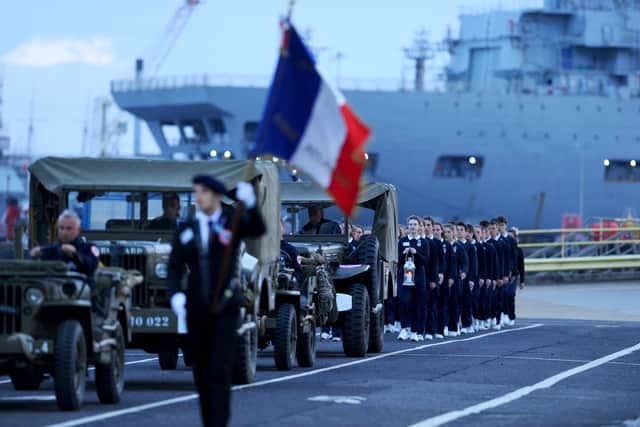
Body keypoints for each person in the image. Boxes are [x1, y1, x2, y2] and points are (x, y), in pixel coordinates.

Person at [167, 175, 265, 427]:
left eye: (204, 192)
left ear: (217, 196)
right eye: (197, 191)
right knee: (200, 374)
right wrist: (176, 294)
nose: (198, 196)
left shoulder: (231, 224)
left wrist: (251, 203)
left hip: (224, 307)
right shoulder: (186, 229)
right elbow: (174, 267)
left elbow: (258, 228)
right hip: (196, 309)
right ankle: (208, 421)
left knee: (219, 371)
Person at [30, 210, 99, 287]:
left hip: (82, 291)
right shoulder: (50, 249)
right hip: (54, 290)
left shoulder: (88, 248)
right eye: (61, 228)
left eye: (69, 228)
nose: (64, 232)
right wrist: (36, 255)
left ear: (78, 230)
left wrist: (75, 255)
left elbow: (91, 266)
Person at [397, 215, 429, 342]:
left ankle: (415, 331)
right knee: (404, 301)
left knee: (417, 303)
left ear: (419, 227)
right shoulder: (402, 241)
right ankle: (405, 327)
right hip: (404, 275)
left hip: (419, 276)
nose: (412, 227)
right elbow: (397, 260)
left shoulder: (424, 242)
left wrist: (417, 253)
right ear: (407, 227)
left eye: (415, 224)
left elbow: (426, 260)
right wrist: (403, 254)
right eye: (410, 225)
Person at [422, 217, 440, 340]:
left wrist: (434, 279)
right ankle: (420, 329)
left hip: (431, 278)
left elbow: (437, 262)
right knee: (421, 305)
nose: (427, 227)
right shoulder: (421, 241)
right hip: (420, 277)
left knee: (432, 306)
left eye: (429, 225)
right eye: (425, 225)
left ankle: (431, 330)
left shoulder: (436, 243)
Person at [280, 218, 304, 283]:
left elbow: (300, 274)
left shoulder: (291, 250)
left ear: (283, 228)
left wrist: (290, 278)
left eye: (278, 226)